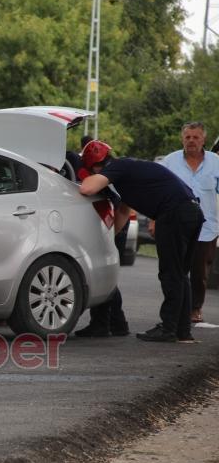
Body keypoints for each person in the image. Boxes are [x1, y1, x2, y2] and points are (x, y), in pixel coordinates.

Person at [79, 140, 204, 342]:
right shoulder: (129, 172)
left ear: (95, 166)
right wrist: (107, 239)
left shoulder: (118, 167)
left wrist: (86, 178)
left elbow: (87, 189)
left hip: (173, 214)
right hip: (192, 212)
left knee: (171, 273)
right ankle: (182, 331)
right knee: (180, 273)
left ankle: (168, 329)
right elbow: (123, 211)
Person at [158, 122, 219, 324]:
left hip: (206, 227)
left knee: (199, 271)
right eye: (188, 137)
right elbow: (159, 193)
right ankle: (176, 308)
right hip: (175, 225)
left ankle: (195, 308)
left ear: (203, 140)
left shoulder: (215, 162)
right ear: (182, 139)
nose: (191, 141)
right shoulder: (170, 161)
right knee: (174, 269)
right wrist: (154, 220)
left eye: (196, 137)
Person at [74, 154, 130, 338]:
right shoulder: (114, 173)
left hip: (113, 228)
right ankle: (117, 323)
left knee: (104, 276)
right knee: (107, 277)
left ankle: (102, 323)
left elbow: (118, 207)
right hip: (115, 227)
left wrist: (111, 236)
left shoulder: (107, 179)